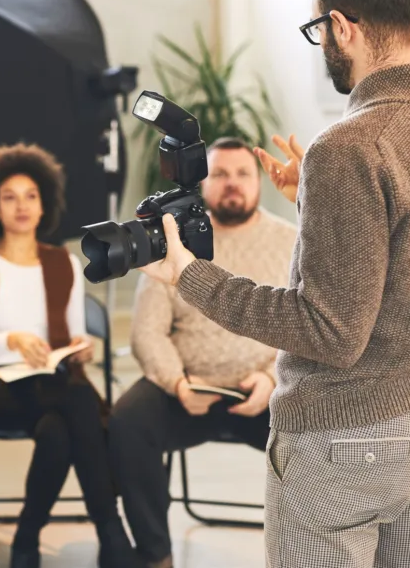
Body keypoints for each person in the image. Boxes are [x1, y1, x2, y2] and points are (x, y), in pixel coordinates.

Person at [139, 0, 410, 568]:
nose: (323, 47)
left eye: (320, 30)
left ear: (341, 25)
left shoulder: (351, 147)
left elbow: (329, 331)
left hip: (343, 441)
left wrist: (191, 276)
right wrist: (316, 201)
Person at [0, 143, 140, 568]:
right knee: (81, 401)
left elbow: (77, 337)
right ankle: (112, 533)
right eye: (9, 197)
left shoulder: (62, 262)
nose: (21, 206)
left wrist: (81, 350)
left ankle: (26, 539)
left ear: (44, 204)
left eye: (30, 196)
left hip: (51, 381)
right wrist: (13, 340)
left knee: (58, 433)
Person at [108, 137, 298, 568]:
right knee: (127, 421)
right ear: (201, 185)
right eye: (220, 175)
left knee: (316, 426)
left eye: (242, 174)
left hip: (268, 395)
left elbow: (302, 330)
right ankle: (156, 555)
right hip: (185, 388)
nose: (232, 184)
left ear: (260, 181)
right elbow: (147, 332)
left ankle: (299, 554)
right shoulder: (173, 242)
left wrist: (271, 379)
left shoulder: (290, 242)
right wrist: (177, 382)